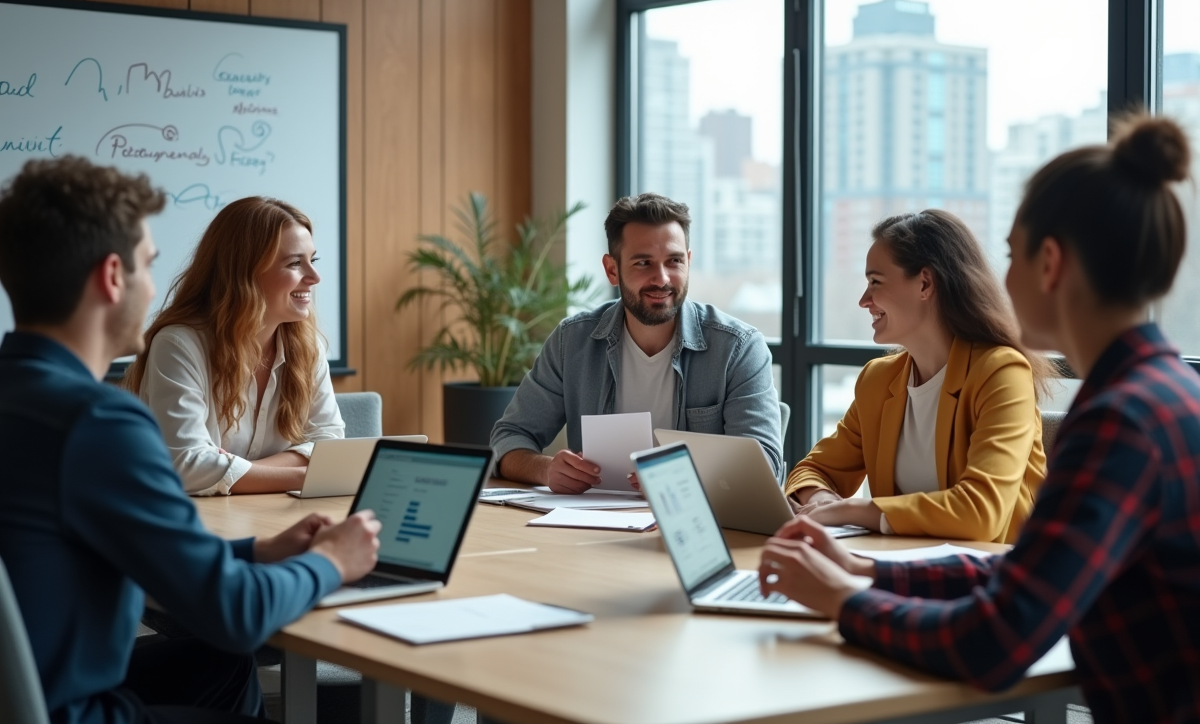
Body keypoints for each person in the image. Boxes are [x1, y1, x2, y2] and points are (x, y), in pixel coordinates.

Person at [759, 114, 1200, 722]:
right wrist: (861, 568)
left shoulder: (1120, 423)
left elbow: (995, 639)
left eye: (1012, 257)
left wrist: (844, 600)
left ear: (1050, 264)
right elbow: (1020, 573)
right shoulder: (1162, 396)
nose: (1001, 281)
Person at [0, 156, 381, 724]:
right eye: (148, 265)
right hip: (76, 709)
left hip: (35, 684)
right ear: (111, 277)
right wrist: (331, 560)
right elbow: (238, 612)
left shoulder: (20, 394)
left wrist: (257, 550)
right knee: (229, 646)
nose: (156, 286)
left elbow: (127, 548)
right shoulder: (98, 424)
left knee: (219, 664)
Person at [785, 210, 1052, 543]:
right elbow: (813, 471)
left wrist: (851, 510)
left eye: (875, 282)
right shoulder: (878, 380)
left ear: (925, 283)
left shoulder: (1001, 372)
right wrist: (822, 500)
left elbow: (980, 514)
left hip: (994, 578)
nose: (864, 300)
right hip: (897, 570)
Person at [490, 192, 781, 493]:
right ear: (612, 269)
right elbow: (508, 437)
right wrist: (546, 469)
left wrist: (680, 478)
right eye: (644, 263)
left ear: (689, 262)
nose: (663, 278)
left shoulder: (739, 348)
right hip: (589, 527)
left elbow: (765, 467)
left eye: (674, 261)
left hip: (700, 522)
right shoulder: (572, 342)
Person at [125, 197, 344, 495]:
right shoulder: (178, 345)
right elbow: (188, 467)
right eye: (295, 263)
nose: (314, 277)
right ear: (244, 272)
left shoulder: (309, 347)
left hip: (271, 516)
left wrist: (231, 467)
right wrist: (303, 476)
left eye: (312, 260)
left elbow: (331, 443)